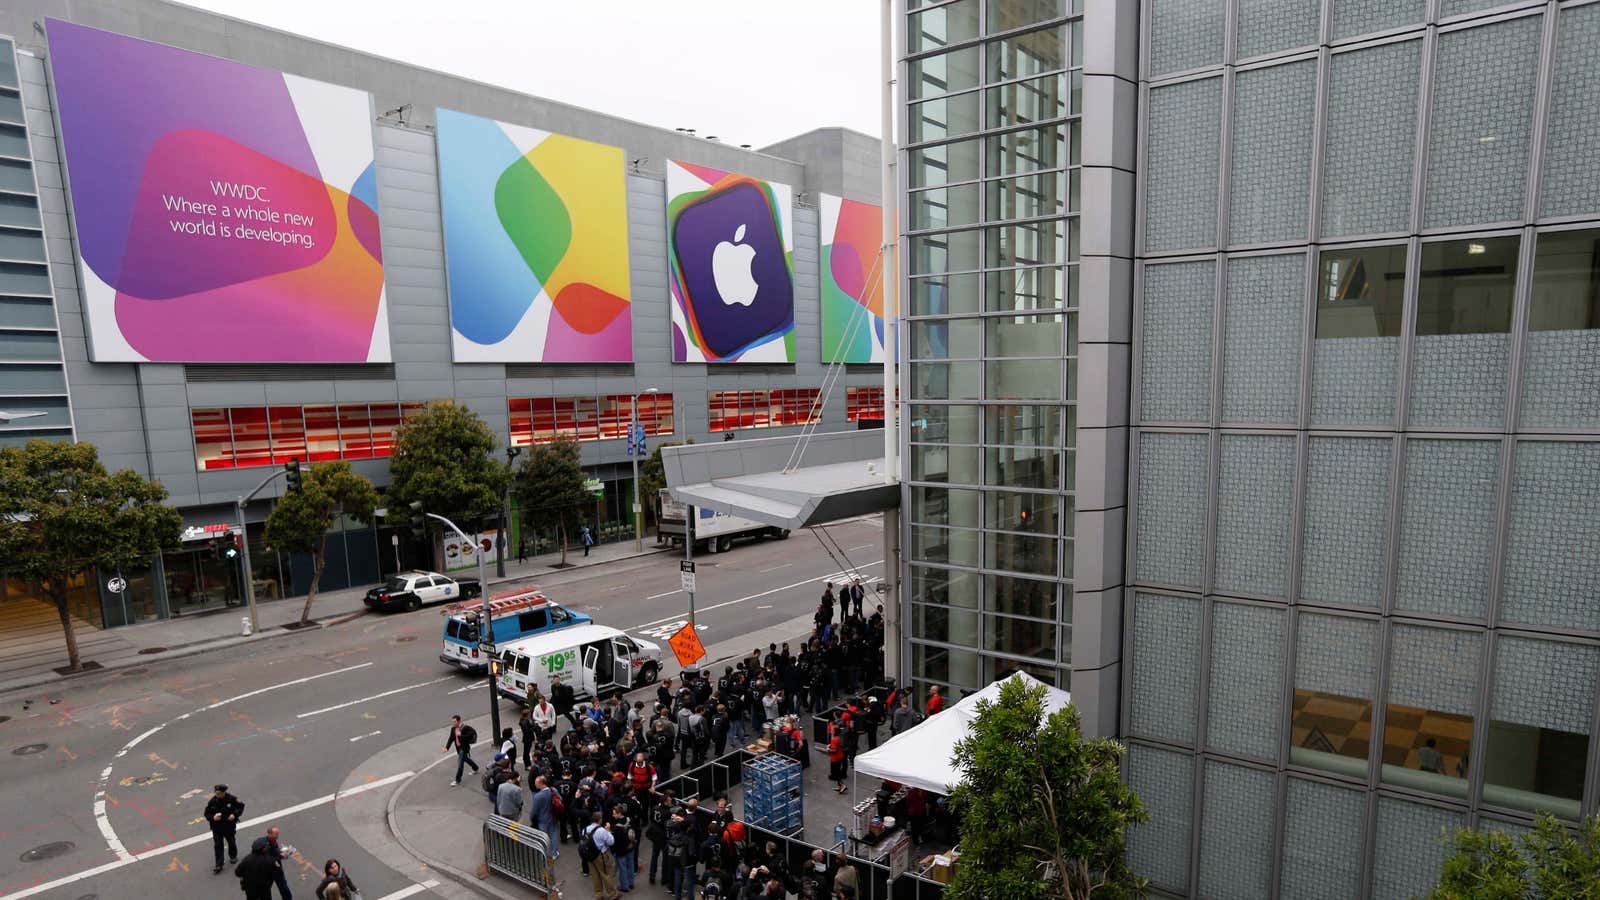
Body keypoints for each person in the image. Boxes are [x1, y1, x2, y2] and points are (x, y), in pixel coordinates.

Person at [206, 784, 245, 874]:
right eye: (216, 793)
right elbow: (207, 814)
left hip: (228, 826)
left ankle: (233, 855)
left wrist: (234, 815)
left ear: (224, 792)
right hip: (217, 827)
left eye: (219, 793)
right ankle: (219, 864)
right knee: (218, 845)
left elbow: (241, 806)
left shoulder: (231, 799)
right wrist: (213, 817)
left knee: (231, 841)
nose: (217, 795)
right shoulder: (212, 801)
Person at [583, 811, 620, 900]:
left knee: (595, 875)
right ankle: (612, 894)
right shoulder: (601, 831)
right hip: (601, 856)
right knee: (606, 875)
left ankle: (599, 895)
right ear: (599, 820)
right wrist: (608, 831)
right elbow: (611, 842)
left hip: (590, 856)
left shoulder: (585, 829)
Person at [528, 775, 560, 858]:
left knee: (543, 837)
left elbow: (534, 810)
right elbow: (560, 799)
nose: (535, 785)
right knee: (553, 834)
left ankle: (543, 855)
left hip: (542, 819)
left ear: (541, 784)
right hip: (553, 816)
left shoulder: (538, 796)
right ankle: (554, 852)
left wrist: (531, 817)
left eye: (536, 783)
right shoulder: (553, 790)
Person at [611, 803, 639, 894]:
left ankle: (624, 887)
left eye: (614, 813)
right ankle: (631, 883)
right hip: (630, 847)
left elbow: (614, 841)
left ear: (619, 814)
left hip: (621, 851)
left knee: (622, 868)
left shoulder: (617, 827)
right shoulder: (629, 820)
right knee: (630, 865)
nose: (613, 815)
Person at [445, 715, 479, 786]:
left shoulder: (465, 728)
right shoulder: (453, 729)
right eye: (453, 722)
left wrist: (461, 735)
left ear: (459, 721)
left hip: (464, 748)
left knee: (460, 764)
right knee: (465, 759)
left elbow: (470, 735)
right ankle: (475, 768)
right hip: (458, 748)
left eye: (455, 722)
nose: (453, 723)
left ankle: (457, 780)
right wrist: (447, 747)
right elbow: (451, 738)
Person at [265, 826, 294, 900]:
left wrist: (281, 851)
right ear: (269, 834)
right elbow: (267, 860)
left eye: (278, 834)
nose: (278, 836)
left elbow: (275, 852)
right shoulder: (264, 846)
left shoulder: (273, 840)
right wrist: (280, 856)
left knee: (284, 887)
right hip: (268, 871)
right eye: (276, 834)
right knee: (266, 889)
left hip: (277, 869)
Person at [828, 724, 847, 794]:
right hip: (840, 757)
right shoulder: (839, 738)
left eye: (832, 730)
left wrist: (828, 749)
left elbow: (834, 750)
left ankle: (842, 785)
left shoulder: (834, 739)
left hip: (835, 759)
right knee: (837, 772)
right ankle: (840, 786)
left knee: (836, 774)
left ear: (835, 731)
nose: (831, 731)